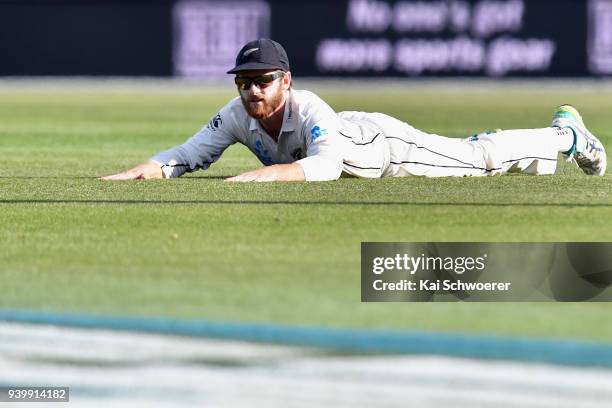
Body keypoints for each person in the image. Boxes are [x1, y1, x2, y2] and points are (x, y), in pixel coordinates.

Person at [102, 38, 607, 182]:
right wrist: (142, 171)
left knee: (477, 163)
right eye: (244, 83)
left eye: (261, 81)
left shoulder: (310, 106)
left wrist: (265, 177)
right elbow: (188, 154)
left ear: (286, 80)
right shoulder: (238, 114)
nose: (252, 92)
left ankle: (566, 136)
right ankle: (532, 144)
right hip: (368, 149)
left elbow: (325, 166)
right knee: (474, 153)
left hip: (386, 150)